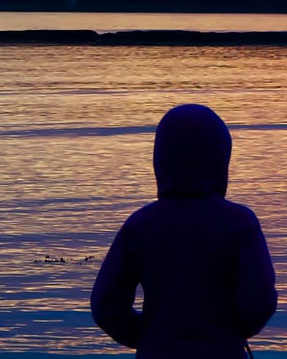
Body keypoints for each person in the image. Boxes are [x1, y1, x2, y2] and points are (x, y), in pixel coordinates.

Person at [91, 103, 277, 357]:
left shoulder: (140, 224)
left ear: (161, 160)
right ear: (221, 160)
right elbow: (260, 301)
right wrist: (232, 332)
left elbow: (106, 306)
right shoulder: (239, 222)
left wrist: (148, 337)